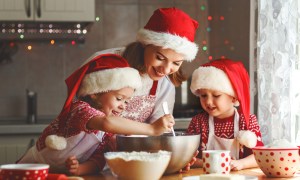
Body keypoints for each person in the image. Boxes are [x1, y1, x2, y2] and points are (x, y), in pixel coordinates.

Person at [17, 54, 175, 175]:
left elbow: (99, 160)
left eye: (127, 102)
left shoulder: (107, 131)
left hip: (60, 175)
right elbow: (106, 122)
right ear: (95, 93)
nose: (122, 106)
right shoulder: (79, 109)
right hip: (29, 169)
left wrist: (79, 169)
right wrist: (152, 129)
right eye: (119, 98)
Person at [187, 58, 264, 171]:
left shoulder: (247, 121)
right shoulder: (198, 122)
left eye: (216, 95)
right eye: (203, 95)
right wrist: (212, 163)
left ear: (234, 97)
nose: (208, 101)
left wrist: (240, 164)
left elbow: (259, 156)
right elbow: (187, 158)